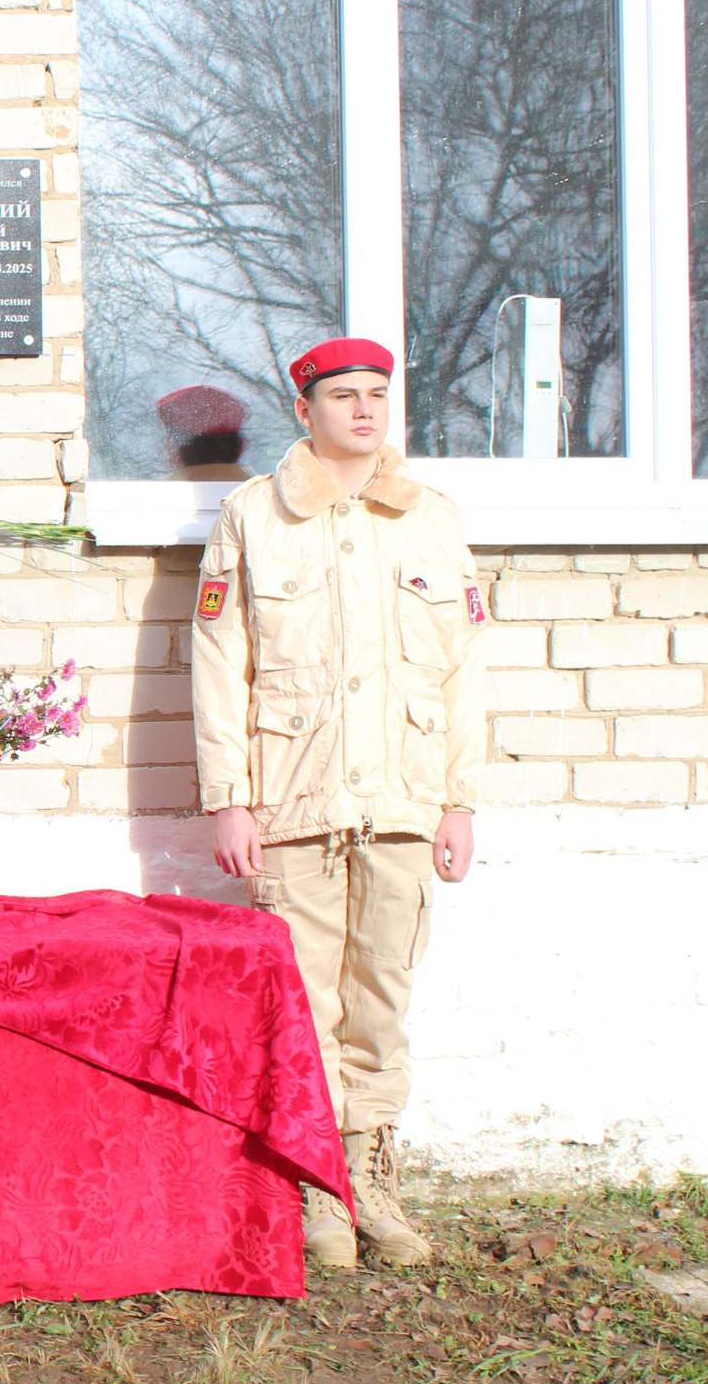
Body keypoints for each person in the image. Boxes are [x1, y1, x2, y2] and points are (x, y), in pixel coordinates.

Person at [191, 337, 485, 1270]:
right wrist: (229, 799)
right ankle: (320, 1185)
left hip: (403, 797)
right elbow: (218, 664)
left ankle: (373, 1175)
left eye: (376, 395)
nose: (364, 410)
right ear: (305, 410)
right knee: (304, 1001)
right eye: (344, 395)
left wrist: (459, 800)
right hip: (294, 798)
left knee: (381, 997)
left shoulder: (433, 520)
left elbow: (464, 672)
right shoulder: (253, 515)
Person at [156, 383, 250, 482]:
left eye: (168, 437)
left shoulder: (162, 490)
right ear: (241, 445)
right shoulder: (257, 488)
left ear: (174, 446)